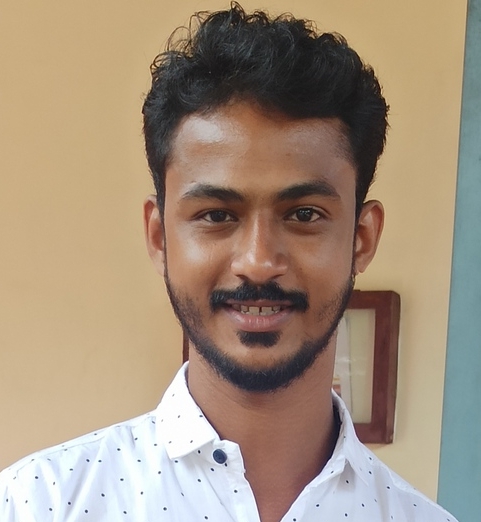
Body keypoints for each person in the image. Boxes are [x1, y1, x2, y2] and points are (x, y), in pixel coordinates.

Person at [0, 4, 457, 521]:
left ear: (362, 238)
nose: (258, 263)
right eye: (216, 215)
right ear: (159, 236)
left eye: (304, 214)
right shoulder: (35, 504)